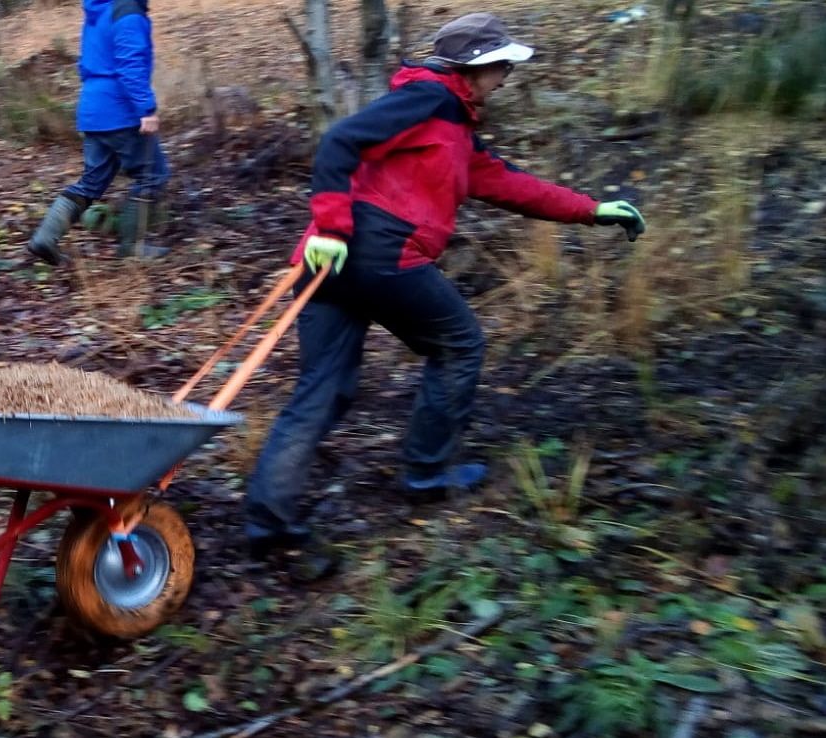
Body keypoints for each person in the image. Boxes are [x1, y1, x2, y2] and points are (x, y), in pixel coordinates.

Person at [243, 13, 647, 572]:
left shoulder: (452, 127)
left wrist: (593, 210)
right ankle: (425, 472)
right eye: (501, 65)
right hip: (373, 252)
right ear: (475, 68)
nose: (507, 75)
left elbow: (509, 184)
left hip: (332, 261)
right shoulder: (429, 101)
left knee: (322, 389)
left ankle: (269, 523)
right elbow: (339, 142)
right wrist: (333, 226)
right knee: (460, 344)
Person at [26, 0, 170, 265]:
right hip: (119, 111)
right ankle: (132, 247)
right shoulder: (127, 13)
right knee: (153, 174)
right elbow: (130, 65)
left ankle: (45, 238)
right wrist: (146, 109)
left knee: (92, 182)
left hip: (92, 109)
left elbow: (88, 62)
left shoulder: (99, 10)